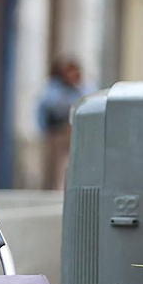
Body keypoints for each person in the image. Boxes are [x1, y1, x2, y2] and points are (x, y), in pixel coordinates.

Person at [37, 56, 87, 190]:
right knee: (54, 162)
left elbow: (86, 101)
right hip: (56, 131)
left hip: (72, 130)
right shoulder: (55, 88)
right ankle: (53, 188)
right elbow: (52, 105)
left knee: (69, 161)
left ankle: (64, 187)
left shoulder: (81, 87)